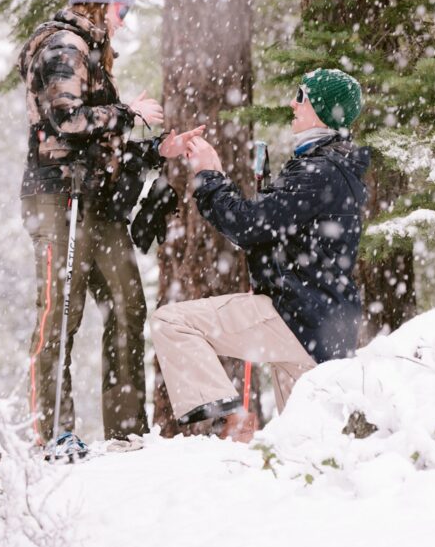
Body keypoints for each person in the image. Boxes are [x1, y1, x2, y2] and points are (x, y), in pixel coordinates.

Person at [18, 0, 202, 457]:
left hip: (96, 200)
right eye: (122, 10)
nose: (123, 21)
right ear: (101, 4)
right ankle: (53, 432)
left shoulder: (90, 52)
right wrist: (128, 112)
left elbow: (101, 143)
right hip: (59, 197)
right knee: (60, 313)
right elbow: (66, 120)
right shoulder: (63, 47)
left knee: (126, 305)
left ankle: (127, 431)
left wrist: (156, 148)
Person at [150, 67, 370, 442]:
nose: (292, 103)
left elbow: (248, 225)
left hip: (298, 316)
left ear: (323, 108)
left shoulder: (319, 170)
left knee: (172, 323)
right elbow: (276, 233)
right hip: (324, 327)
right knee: (306, 452)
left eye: (301, 97)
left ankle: (226, 418)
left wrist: (209, 175)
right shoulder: (334, 167)